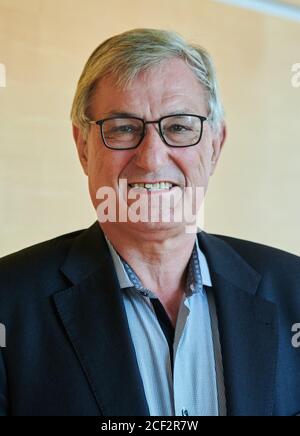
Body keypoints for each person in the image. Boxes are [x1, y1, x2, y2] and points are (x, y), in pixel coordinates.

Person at [0, 28, 299, 417]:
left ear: (215, 145)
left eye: (179, 127)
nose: (152, 158)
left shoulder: (294, 292)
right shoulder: (8, 303)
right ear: (83, 147)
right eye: (124, 128)